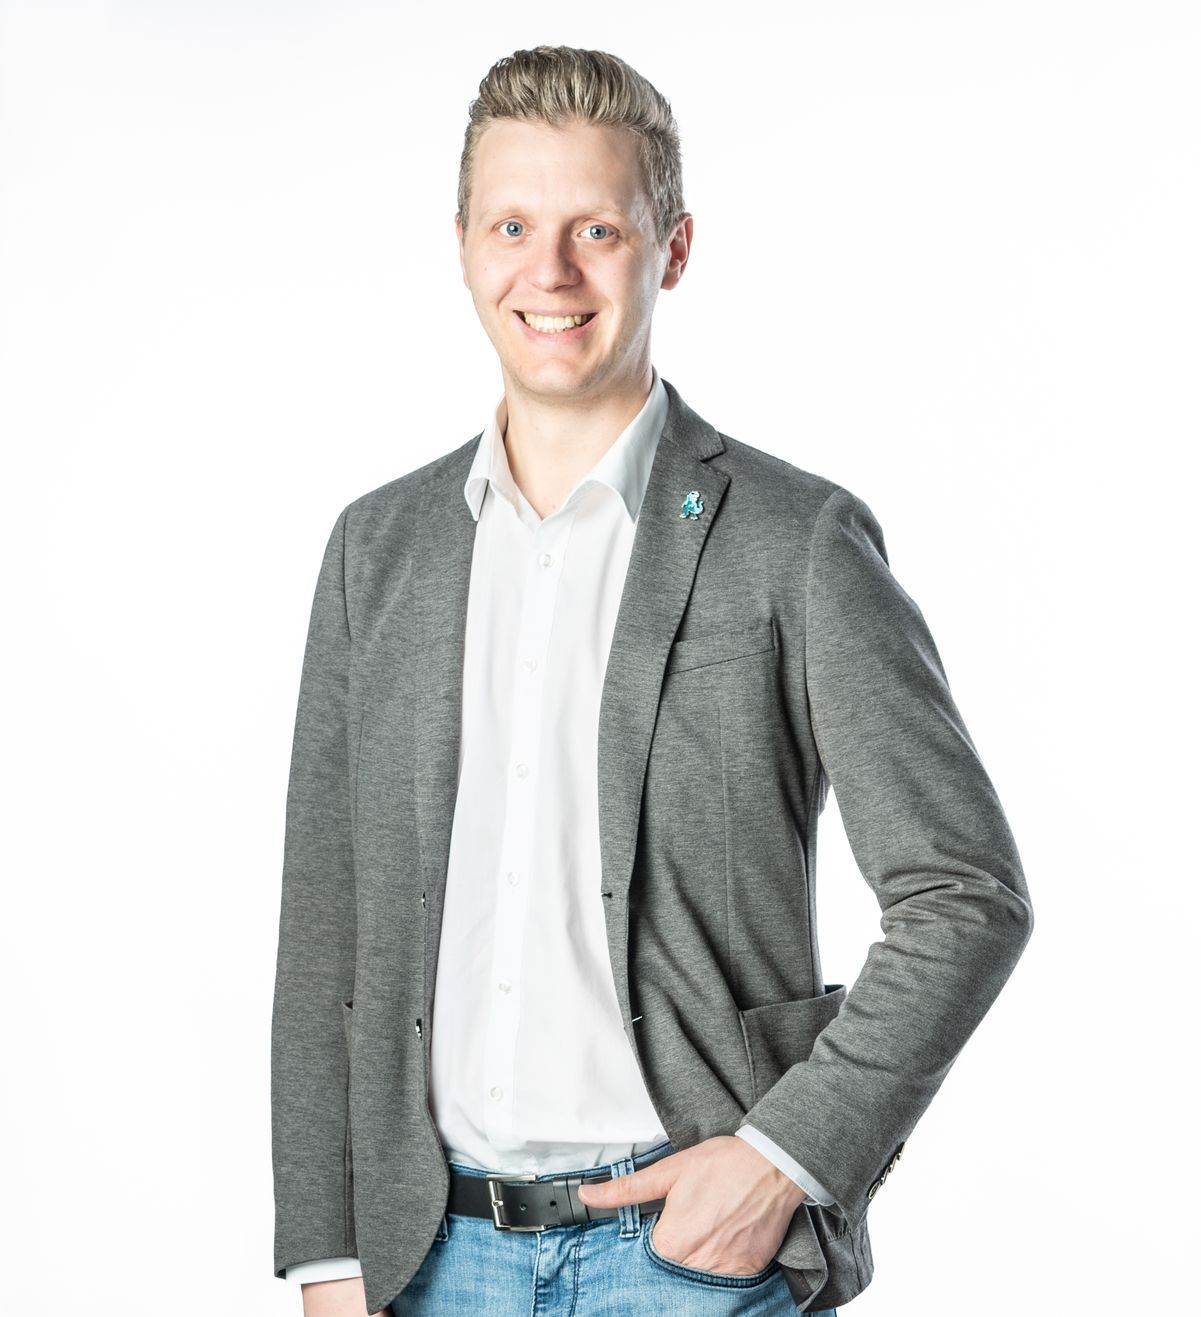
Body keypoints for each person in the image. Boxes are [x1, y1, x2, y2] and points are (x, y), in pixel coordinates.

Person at [269, 45, 1033, 1317]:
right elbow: (325, 930)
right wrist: (328, 1255)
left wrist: (785, 1161)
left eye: (598, 229)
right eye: (513, 226)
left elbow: (965, 893)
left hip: (690, 1262)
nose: (550, 271)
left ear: (672, 249)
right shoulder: (379, 549)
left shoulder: (793, 542)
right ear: (462, 247)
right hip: (426, 1264)